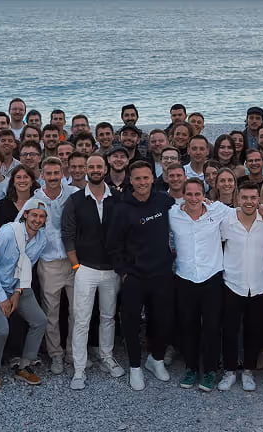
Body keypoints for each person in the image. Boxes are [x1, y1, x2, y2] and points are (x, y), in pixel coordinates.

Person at [107, 161, 176, 390]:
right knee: (131, 322)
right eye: (137, 179)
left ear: (152, 179)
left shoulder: (164, 201)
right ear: (131, 181)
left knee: (163, 320)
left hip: (162, 272)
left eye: (146, 178)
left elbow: (189, 208)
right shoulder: (122, 208)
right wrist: (124, 272)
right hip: (135, 275)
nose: (142, 182)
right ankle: (135, 367)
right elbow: (113, 245)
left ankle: (155, 360)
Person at [0, 199, 49, 391]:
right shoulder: (8, 233)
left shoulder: (42, 239)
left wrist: (16, 293)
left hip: (14, 284)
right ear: (25, 215)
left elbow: (26, 268)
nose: (37, 220)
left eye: (42, 217)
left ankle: (24, 366)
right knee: (1, 329)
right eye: (34, 215)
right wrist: (2, 298)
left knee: (39, 320)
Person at [61, 154, 124, 390]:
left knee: (108, 317)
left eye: (99, 166)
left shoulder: (117, 198)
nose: (96, 170)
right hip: (85, 268)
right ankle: (79, 368)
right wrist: (76, 265)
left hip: (111, 271)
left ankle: (106, 357)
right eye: (92, 166)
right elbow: (67, 234)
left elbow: (125, 233)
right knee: (81, 319)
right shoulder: (75, 200)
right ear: (85, 170)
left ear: (105, 169)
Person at [169, 178, 234, 392]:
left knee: (212, 327)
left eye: (198, 194)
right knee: (188, 326)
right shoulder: (173, 214)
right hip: (185, 278)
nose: (194, 199)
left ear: (204, 195)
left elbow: (242, 210)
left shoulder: (218, 211)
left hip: (211, 277)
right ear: (183, 195)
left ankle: (209, 371)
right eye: (189, 194)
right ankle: (191, 368)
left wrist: (261, 207)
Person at [18, 157, 79, 375]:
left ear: (62, 173)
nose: (53, 178)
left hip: (74, 261)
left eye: (56, 173)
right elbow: (19, 228)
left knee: (76, 311)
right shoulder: (34, 200)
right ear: (42, 176)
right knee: (51, 313)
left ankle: (74, 353)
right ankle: (56, 355)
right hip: (49, 264)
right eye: (49, 174)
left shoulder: (74, 194)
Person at [218, 182, 263, 392]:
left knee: (254, 331)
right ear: (238, 199)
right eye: (245, 198)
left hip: (260, 285)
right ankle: (229, 371)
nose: (249, 202)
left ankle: (248, 371)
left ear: (259, 200)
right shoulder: (226, 221)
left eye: (253, 198)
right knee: (230, 330)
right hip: (232, 283)